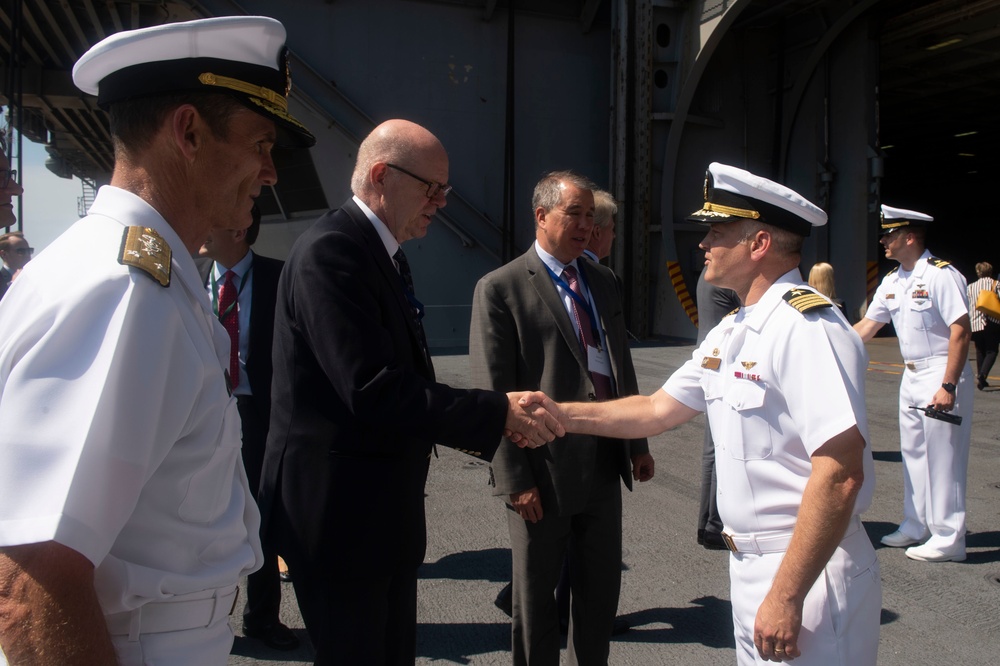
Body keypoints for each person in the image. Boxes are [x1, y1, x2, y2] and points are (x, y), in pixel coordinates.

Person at [0, 16, 315, 665]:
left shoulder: (149, 279)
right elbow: (30, 580)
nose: (270, 172)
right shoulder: (124, 292)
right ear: (189, 132)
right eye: (260, 143)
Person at [526, 162, 881, 664]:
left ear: (758, 244)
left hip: (806, 571)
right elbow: (655, 409)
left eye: (717, 232)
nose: (703, 243)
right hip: (754, 568)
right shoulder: (733, 330)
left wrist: (786, 595)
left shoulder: (808, 328)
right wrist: (558, 413)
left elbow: (841, 470)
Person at [257, 118, 564, 665]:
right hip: (340, 518)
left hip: (374, 514)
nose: (442, 202)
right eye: (432, 188)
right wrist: (496, 411)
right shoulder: (333, 252)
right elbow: (371, 388)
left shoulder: (378, 253)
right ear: (381, 174)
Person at [469, 170, 653, 665]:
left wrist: (637, 442)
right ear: (541, 215)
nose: (587, 227)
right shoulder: (500, 288)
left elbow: (619, 363)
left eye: (592, 217)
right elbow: (493, 390)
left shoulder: (603, 281)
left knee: (598, 595)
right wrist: (513, 478)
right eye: (575, 214)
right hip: (541, 469)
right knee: (535, 602)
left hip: (602, 463)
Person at [197, 204, 299, 651]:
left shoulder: (283, 277)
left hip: (260, 414)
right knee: (202, 517)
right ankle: (205, 619)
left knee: (261, 516)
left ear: (238, 228)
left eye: (211, 219)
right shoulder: (184, 274)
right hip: (200, 414)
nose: (202, 227)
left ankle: (260, 618)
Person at [855, 205, 973, 562]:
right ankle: (916, 523)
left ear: (909, 237)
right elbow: (867, 327)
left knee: (944, 457)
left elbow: (961, 329)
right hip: (911, 374)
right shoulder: (892, 281)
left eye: (889, 235)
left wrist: (949, 385)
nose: (883, 240)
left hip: (940, 371)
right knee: (915, 453)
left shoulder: (941, 275)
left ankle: (950, 537)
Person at [694, 270, 740, 550]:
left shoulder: (708, 275)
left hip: (710, 360)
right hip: (721, 365)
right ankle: (714, 524)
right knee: (719, 447)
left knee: (712, 449)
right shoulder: (727, 278)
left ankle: (707, 523)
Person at [967, 261, 999, 390]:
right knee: (992, 350)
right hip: (991, 321)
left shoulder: (970, 287)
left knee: (980, 350)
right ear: (990, 271)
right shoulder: (996, 284)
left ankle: (982, 381)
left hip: (975, 322)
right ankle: (982, 374)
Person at [583, 188, 617, 262]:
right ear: (597, 232)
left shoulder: (567, 266)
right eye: (611, 229)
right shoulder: (592, 271)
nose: (614, 235)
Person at [0, 231, 31, 300]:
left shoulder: (33, 277)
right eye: (21, 251)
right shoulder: (1, 280)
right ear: (3, 254)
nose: (27, 255)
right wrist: (12, 284)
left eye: (29, 251)